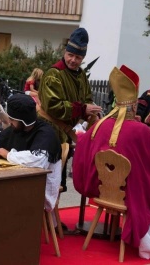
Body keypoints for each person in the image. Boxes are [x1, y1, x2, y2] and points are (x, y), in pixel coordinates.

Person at [73, 65, 150, 259]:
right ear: (134, 105)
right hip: (127, 194)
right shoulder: (139, 130)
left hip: (101, 190)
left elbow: (84, 144)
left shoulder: (100, 125)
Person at [0, 94, 62, 212]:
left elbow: (38, 160)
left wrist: (8, 155)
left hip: (40, 188)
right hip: (21, 182)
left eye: (13, 119)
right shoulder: (18, 128)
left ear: (23, 120)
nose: (10, 122)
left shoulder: (45, 133)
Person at [38, 27, 102, 192]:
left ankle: (54, 216)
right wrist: (82, 109)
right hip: (48, 132)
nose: (73, 60)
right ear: (65, 52)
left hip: (65, 133)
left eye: (78, 57)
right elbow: (53, 106)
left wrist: (92, 112)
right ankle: (45, 217)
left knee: (59, 180)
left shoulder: (81, 75)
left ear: (83, 58)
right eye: (70, 55)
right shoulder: (54, 74)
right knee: (48, 179)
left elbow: (86, 99)